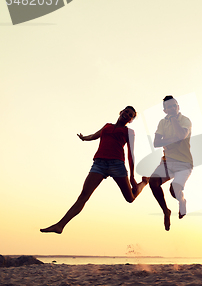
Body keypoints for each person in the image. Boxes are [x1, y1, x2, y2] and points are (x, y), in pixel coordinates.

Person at [40, 106, 149, 234]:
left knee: (130, 198)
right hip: (99, 164)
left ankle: (144, 182)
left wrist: (131, 176)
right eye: (126, 111)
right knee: (83, 196)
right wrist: (84, 138)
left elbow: (131, 154)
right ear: (121, 112)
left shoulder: (129, 132)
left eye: (130, 115)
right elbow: (94, 136)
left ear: (131, 120)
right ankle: (60, 225)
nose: (127, 114)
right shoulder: (107, 126)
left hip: (117, 164)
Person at [149, 96, 193, 231]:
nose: (172, 108)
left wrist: (173, 120)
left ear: (178, 106)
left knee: (173, 190)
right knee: (153, 182)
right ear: (165, 110)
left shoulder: (185, 120)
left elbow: (181, 135)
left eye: (174, 105)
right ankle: (165, 211)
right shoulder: (162, 122)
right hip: (167, 162)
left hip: (183, 163)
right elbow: (156, 143)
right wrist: (173, 139)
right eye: (169, 107)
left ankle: (182, 201)